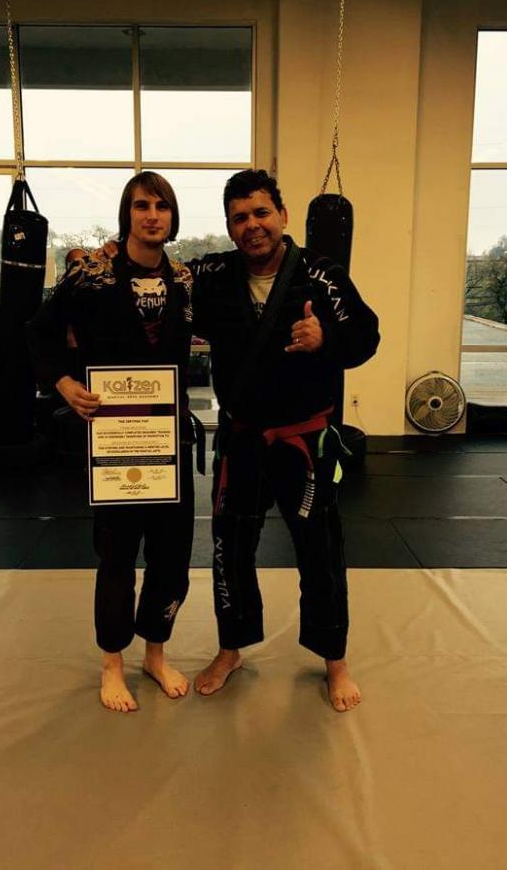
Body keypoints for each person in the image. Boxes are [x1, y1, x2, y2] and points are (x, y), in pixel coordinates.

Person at [190, 169, 379, 712]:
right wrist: (106, 254)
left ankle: (334, 659)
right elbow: (157, 277)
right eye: (240, 217)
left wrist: (327, 337)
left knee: (320, 550)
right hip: (242, 439)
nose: (252, 225)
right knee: (229, 548)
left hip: (303, 441)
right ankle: (231, 649)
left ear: (283, 215)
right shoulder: (213, 274)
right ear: (230, 226)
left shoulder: (322, 275)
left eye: (261, 213)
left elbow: (366, 335)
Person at [28, 172, 196, 713]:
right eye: (142, 205)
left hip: (168, 437)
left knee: (171, 555)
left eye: (162, 206)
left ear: (172, 216)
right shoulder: (92, 276)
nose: (152, 215)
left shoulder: (185, 280)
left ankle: (155, 654)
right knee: (117, 555)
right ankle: (112, 663)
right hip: (115, 437)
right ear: (127, 215)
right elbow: (39, 330)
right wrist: (62, 382)